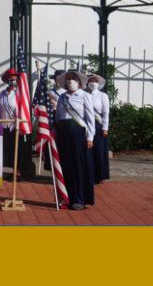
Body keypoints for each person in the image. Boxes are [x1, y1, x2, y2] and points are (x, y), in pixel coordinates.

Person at [54, 69, 96, 210]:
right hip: (64, 135)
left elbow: (90, 119)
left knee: (79, 166)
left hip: (78, 134)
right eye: (68, 79)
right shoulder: (62, 97)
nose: (71, 81)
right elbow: (58, 116)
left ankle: (80, 199)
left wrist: (90, 137)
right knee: (66, 165)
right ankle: (67, 197)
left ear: (79, 82)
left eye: (74, 79)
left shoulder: (85, 96)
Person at [0, 68, 33, 179]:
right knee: (7, 150)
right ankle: (9, 171)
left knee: (17, 150)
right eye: (10, 78)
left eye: (15, 78)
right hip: (4, 125)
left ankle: (17, 172)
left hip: (16, 126)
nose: (13, 80)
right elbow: (0, 110)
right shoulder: (2, 93)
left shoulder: (19, 93)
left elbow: (23, 109)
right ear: (7, 80)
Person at [86, 74, 110, 183]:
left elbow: (106, 112)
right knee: (88, 150)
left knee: (99, 150)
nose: (93, 83)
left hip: (98, 124)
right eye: (90, 81)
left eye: (95, 81)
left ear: (98, 83)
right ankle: (89, 174)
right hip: (86, 124)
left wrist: (105, 128)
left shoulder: (102, 95)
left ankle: (100, 175)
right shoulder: (84, 94)